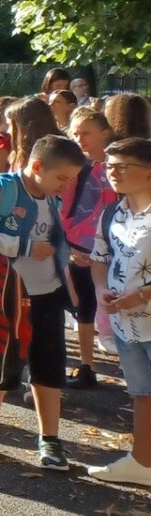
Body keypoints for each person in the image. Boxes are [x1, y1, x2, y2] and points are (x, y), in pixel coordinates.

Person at [0, 133, 86, 470]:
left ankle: (51, 440)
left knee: (48, 366)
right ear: (37, 165)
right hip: (5, 295)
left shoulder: (51, 197)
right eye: (61, 178)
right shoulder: (1, 188)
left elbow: (52, 241)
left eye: (71, 180)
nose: (66, 187)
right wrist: (21, 245)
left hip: (48, 295)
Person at [91, 137, 151, 484]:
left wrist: (143, 294)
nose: (112, 172)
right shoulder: (112, 212)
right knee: (142, 392)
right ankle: (142, 461)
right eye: (108, 166)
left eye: (121, 166)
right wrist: (101, 291)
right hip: (126, 323)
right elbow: (100, 259)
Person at [62, 106, 118, 388]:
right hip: (80, 245)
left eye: (86, 133)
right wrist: (69, 247)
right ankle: (87, 366)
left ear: (104, 133)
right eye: (76, 133)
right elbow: (62, 208)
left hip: (116, 246)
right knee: (84, 306)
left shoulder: (118, 165)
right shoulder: (75, 167)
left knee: (116, 302)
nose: (80, 138)